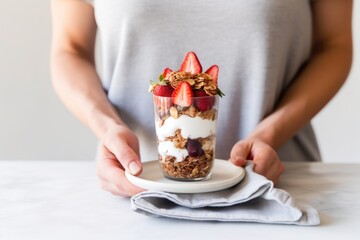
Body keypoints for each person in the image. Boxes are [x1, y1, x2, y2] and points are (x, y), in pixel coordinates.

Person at [51, 0, 353, 197]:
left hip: (276, 185)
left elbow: (334, 45)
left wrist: (271, 133)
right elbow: (70, 48)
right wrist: (106, 127)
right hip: (135, 187)